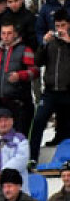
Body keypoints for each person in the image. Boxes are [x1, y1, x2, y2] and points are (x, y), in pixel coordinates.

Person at [0, 22, 37, 134]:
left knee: (20, 136)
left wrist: (20, 75)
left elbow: (35, 71)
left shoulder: (25, 50)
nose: (6, 36)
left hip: (19, 102)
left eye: (9, 33)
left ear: (15, 34)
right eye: (3, 33)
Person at [33, 10, 70, 151]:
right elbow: (38, 61)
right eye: (57, 25)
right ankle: (32, 156)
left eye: (63, 25)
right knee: (38, 120)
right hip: (50, 90)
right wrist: (43, 44)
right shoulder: (51, 42)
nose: (60, 29)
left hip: (67, 90)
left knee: (65, 127)